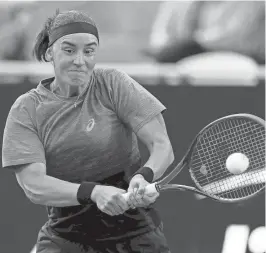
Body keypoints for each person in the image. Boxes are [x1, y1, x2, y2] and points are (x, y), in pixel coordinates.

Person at [2, 10, 174, 253]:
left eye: (89, 51)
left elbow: (161, 145)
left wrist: (144, 175)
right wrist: (93, 192)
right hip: (66, 239)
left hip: (136, 236)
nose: (80, 60)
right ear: (50, 52)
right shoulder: (27, 109)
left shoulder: (114, 84)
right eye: (69, 50)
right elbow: (33, 184)